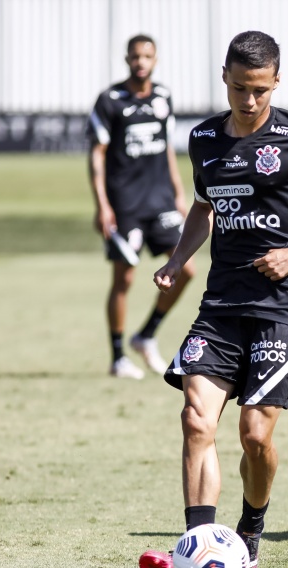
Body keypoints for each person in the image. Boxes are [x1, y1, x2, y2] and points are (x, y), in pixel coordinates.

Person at [137, 30, 288, 568]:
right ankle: (198, 549)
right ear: (225, 78)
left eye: (259, 89)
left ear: (276, 81)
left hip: (286, 307)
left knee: (254, 435)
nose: (249, 100)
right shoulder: (204, 139)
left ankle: (251, 530)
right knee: (195, 420)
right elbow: (203, 207)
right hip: (221, 303)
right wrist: (176, 259)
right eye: (240, 88)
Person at [87, 34, 194, 380]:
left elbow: (167, 149)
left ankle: (145, 336)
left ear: (155, 59)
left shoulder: (163, 98)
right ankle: (118, 356)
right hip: (125, 205)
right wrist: (102, 204)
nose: (141, 62)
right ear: (127, 59)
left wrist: (179, 193)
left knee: (186, 270)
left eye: (147, 56)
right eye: (135, 56)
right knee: (125, 278)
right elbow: (97, 154)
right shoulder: (110, 100)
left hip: (160, 200)